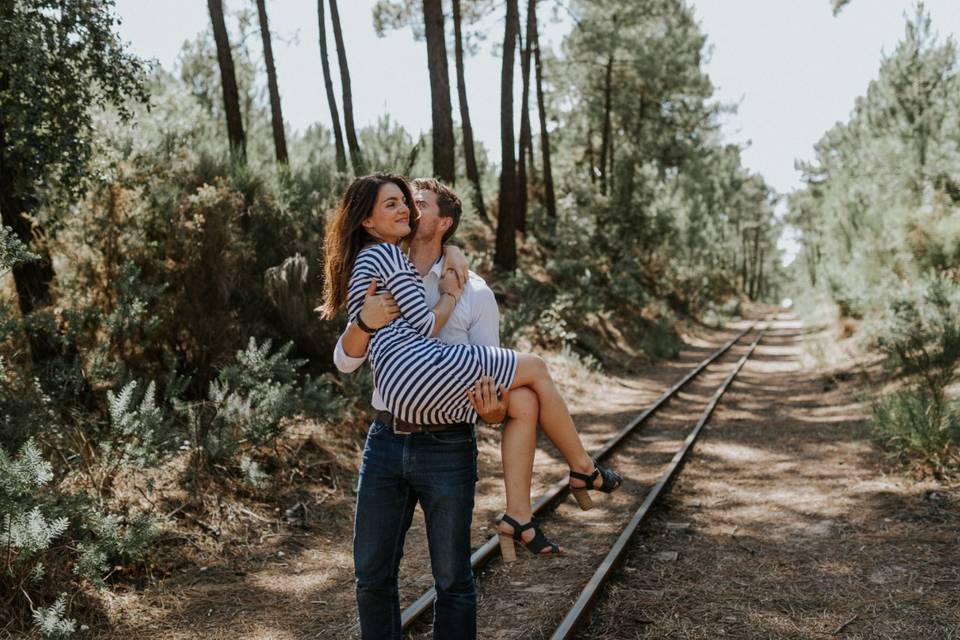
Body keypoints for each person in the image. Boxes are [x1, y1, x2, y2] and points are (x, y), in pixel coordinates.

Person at [321, 173, 622, 640]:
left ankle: (536, 501)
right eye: (400, 203)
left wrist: (494, 412)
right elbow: (344, 361)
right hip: (386, 438)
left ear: (442, 223)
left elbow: (492, 395)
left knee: (454, 579)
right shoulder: (388, 263)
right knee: (372, 574)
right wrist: (365, 320)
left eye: (415, 203)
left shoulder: (476, 290)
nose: (408, 209)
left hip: (447, 444)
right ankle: (568, 478)